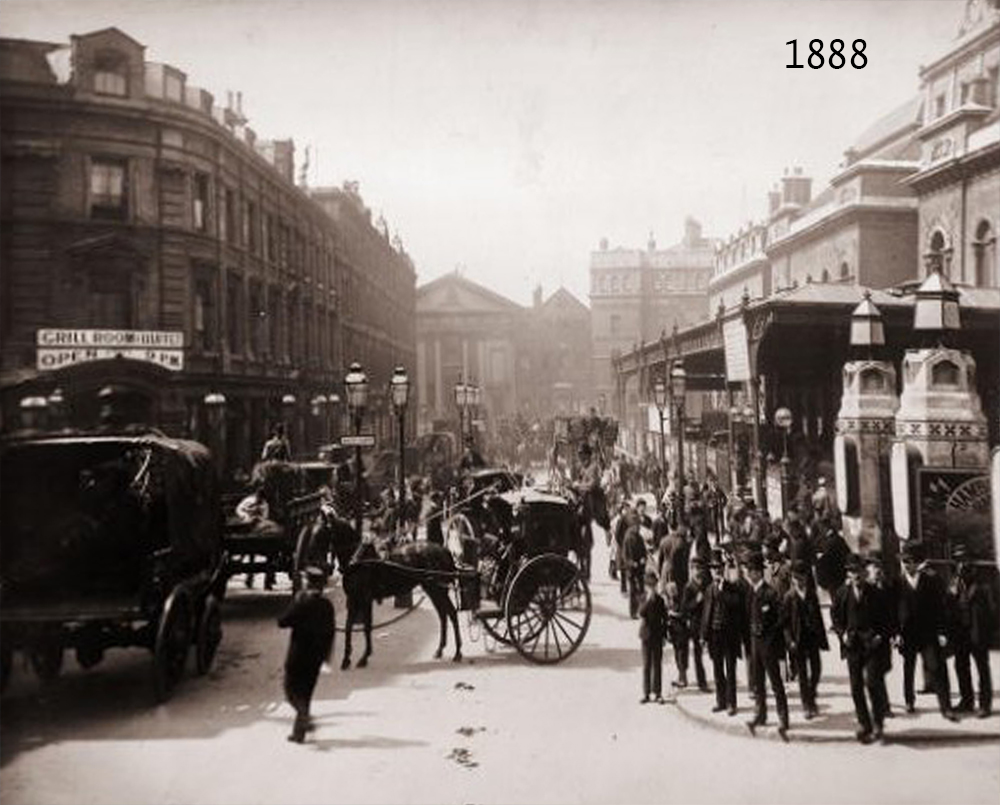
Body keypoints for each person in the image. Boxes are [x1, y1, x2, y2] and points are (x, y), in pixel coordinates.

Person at [897, 542, 957, 720]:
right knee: (909, 668)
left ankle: (946, 707)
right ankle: (909, 701)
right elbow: (892, 609)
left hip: (928, 633)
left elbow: (941, 608)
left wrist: (942, 632)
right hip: (907, 633)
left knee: (937, 667)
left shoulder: (931, 581)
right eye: (904, 561)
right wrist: (896, 633)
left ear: (918, 563)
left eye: (909, 561)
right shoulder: (898, 582)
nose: (906, 565)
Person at [832, 554, 888, 743]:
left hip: (872, 645)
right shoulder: (841, 593)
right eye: (851, 571)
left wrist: (881, 635)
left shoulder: (877, 594)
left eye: (858, 571)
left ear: (864, 572)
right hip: (852, 646)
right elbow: (836, 619)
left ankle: (879, 722)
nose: (855, 575)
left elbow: (887, 620)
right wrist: (842, 634)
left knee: (873, 683)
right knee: (856, 687)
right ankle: (865, 724)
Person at [278, 566, 335, 743]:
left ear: (308, 582)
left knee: (291, 691)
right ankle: (299, 733)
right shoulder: (327, 605)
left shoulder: (302, 602)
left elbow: (283, 622)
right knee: (306, 693)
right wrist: (326, 657)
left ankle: (304, 717)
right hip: (316, 658)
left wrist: (295, 603)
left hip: (298, 656)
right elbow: (330, 633)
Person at [744, 550, 789, 741]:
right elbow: (748, 616)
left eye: (751, 570)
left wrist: (770, 635)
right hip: (755, 645)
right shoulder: (750, 593)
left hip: (768, 645)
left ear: (758, 572)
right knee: (758, 683)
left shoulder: (770, 593)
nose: (748, 573)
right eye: (748, 570)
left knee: (776, 683)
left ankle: (783, 717)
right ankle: (760, 715)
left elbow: (781, 618)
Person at [950, 546, 996, 718]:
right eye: (958, 560)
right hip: (961, 632)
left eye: (964, 559)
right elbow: (949, 605)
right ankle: (967, 701)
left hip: (978, 631)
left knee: (982, 668)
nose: (961, 563)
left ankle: (985, 705)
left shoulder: (983, 580)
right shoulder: (955, 580)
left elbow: (993, 609)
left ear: (971, 560)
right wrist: (952, 594)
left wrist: (989, 632)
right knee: (961, 666)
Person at [701, 549, 745, 716]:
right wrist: (703, 636)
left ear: (723, 569)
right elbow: (706, 614)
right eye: (713, 568)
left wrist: (722, 590)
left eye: (719, 568)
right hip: (714, 635)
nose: (716, 571)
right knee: (717, 670)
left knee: (730, 670)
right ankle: (721, 701)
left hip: (729, 636)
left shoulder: (731, 588)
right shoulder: (708, 589)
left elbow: (736, 605)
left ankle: (732, 703)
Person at [783, 560, 828, 720]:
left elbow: (819, 618)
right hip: (798, 640)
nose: (799, 581)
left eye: (802, 578)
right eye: (796, 578)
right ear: (792, 579)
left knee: (816, 670)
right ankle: (807, 705)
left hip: (812, 638)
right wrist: (790, 641)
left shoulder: (811, 595)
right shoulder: (789, 597)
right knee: (802, 674)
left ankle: (811, 694)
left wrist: (823, 639)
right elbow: (785, 624)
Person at [680, 555, 710, 692]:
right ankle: (701, 682)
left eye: (700, 568)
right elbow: (684, 609)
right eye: (695, 569)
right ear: (691, 570)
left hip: (707, 623)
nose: (697, 571)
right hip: (695, 624)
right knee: (698, 655)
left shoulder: (706, 585)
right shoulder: (689, 587)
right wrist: (696, 602)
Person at [639, 569, 669, 704]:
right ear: (646, 586)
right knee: (646, 665)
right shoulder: (643, 598)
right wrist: (649, 600)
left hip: (657, 636)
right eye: (649, 585)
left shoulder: (661, 600)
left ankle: (657, 693)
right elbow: (641, 612)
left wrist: (664, 636)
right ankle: (646, 693)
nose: (652, 588)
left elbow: (664, 619)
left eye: (654, 585)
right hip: (646, 636)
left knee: (657, 665)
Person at [622, 509, 648, 619]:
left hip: (640, 568)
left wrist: (643, 558)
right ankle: (633, 612)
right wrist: (632, 563)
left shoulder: (639, 537)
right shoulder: (628, 538)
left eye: (639, 526)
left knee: (641, 589)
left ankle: (641, 610)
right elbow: (625, 556)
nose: (638, 528)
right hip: (632, 569)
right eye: (636, 526)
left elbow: (644, 551)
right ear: (632, 526)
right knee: (633, 591)